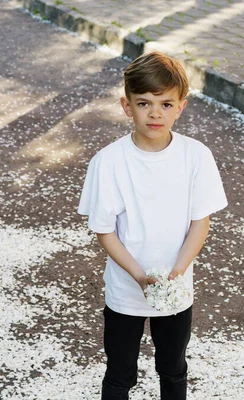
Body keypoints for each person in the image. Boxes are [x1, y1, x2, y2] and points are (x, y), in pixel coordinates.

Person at [77, 51, 228, 400]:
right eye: (144, 103)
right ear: (126, 106)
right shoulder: (109, 162)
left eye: (166, 103)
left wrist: (177, 272)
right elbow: (105, 231)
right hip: (125, 290)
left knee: (173, 367)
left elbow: (199, 222)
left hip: (177, 289)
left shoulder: (196, 156)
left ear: (181, 107)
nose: (155, 113)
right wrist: (139, 276)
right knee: (119, 372)